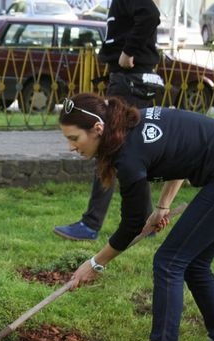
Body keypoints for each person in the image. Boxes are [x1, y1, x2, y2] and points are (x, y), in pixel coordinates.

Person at [60, 93, 214, 341]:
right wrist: (163, 206)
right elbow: (181, 153)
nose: (71, 146)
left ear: (98, 129)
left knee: (169, 262)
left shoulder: (128, 155)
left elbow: (131, 224)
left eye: (74, 138)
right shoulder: (129, 127)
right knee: (195, 265)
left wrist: (95, 264)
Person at [54, 0, 161, 241]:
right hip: (129, 80)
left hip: (130, 80)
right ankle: (147, 225)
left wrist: (128, 51)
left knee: (106, 147)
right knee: (134, 151)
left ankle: (91, 224)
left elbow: (150, 14)